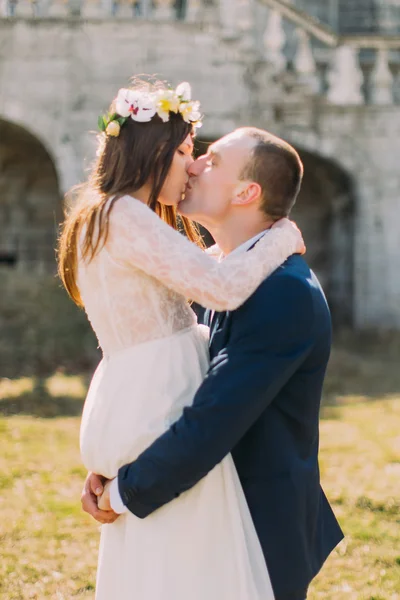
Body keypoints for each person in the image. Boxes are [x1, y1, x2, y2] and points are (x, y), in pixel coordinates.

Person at [58, 80, 305, 600]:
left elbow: (193, 270)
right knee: (188, 552)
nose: (190, 167)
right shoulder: (123, 214)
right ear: (157, 153)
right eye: (186, 152)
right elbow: (219, 287)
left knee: (167, 554)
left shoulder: (105, 216)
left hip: (137, 389)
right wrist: (280, 237)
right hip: (161, 393)